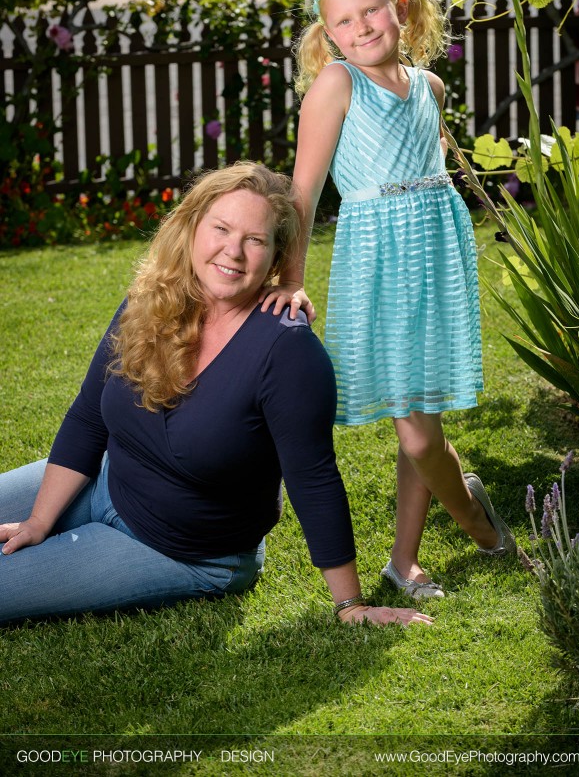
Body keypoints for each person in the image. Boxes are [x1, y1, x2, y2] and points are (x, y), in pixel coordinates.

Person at [0, 162, 433, 629]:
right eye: (222, 229)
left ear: (276, 256)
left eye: (255, 240)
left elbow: (313, 479)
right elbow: (89, 416)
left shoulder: (289, 352)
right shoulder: (151, 300)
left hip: (184, 549)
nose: (234, 252)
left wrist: (351, 605)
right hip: (106, 482)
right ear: (191, 228)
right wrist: (40, 521)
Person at [262, 0, 515, 600]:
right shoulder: (336, 85)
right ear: (328, 35)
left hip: (435, 250)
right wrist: (290, 277)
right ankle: (480, 525)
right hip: (379, 259)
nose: (360, 28)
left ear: (398, 4)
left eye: (369, 10)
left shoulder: (427, 85)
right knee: (412, 423)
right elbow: (303, 192)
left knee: (422, 410)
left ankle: (403, 564)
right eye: (341, 22)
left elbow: (427, 176)